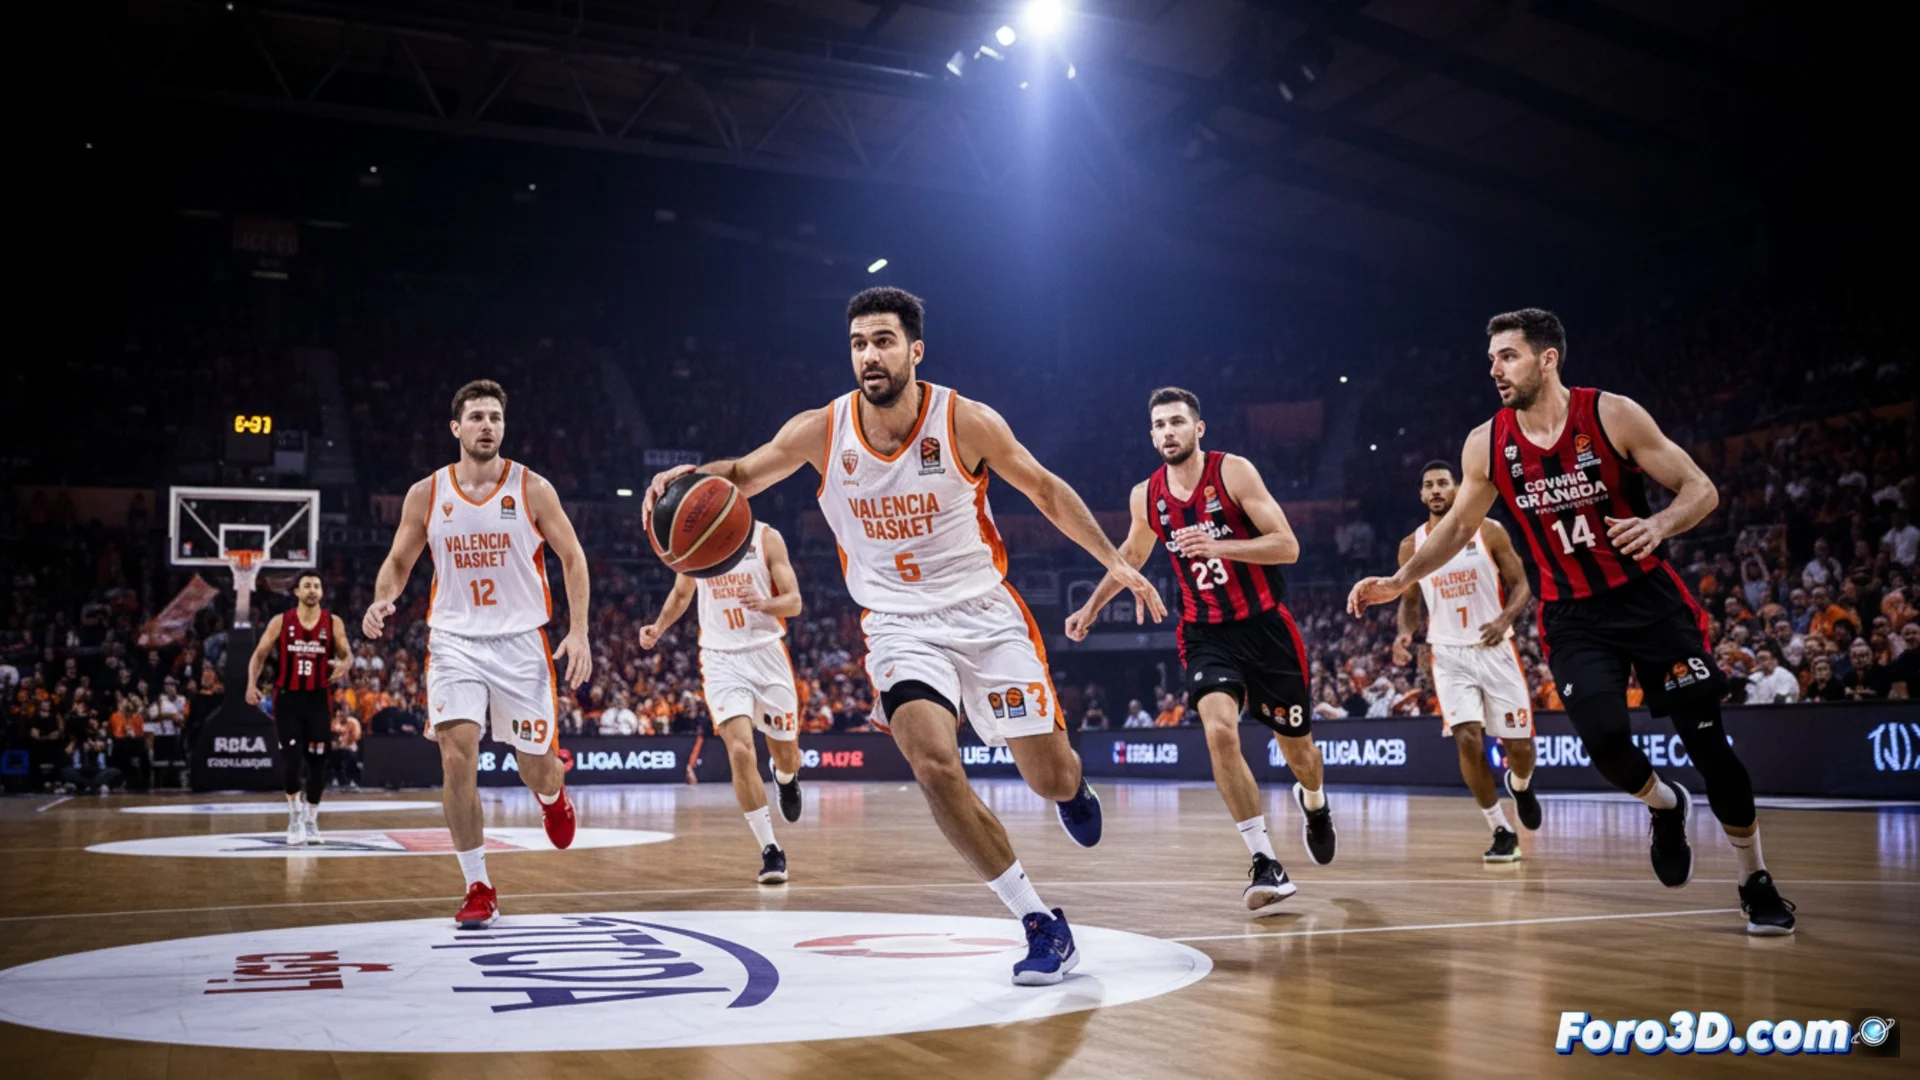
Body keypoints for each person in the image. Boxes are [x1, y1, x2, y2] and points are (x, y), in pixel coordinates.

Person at [644, 287, 1162, 985]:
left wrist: (1117, 562)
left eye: (883, 341)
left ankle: (1072, 790)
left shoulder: (965, 420)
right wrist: (688, 476)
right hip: (896, 625)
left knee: (1048, 773)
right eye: (858, 343)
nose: (869, 355)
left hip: (983, 613)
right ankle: (1039, 920)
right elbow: (741, 473)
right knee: (933, 764)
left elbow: (1043, 488)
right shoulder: (822, 430)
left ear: (915, 351)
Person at [1348, 307, 1796, 935]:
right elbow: (1457, 528)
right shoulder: (1486, 442)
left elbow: (1700, 488)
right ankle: (1665, 805)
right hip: (1574, 616)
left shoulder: (1611, 414)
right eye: (1492, 358)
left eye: (1508, 355)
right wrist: (1400, 580)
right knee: (1608, 746)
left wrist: (1661, 523)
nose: (1495, 369)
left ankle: (1755, 878)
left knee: (1710, 748)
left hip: (1649, 602)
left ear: (1547, 358)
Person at [1067, 386, 1331, 913]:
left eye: (1177, 422)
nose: (1168, 432)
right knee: (1218, 730)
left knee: (1300, 754)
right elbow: (1131, 555)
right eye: (1159, 425)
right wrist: (1092, 607)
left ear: (1198, 428)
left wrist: (1220, 545)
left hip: (1266, 628)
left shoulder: (1234, 473)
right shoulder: (1147, 495)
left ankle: (1316, 804)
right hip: (1205, 632)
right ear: (1151, 434)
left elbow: (1288, 545)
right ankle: (1263, 860)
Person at [363, 379, 592, 930]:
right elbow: (399, 561)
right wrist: (382, 599)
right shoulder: (427, 493)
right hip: (454, 642)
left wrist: (579, 630)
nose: (487, 425)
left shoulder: (533, 488)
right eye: (477, 417)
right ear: (456, 428)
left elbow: (573, 556)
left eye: (495, 417)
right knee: (457, 756)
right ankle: (478, 885)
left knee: (534, 767)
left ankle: (552, 796)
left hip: (521, 643)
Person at [1391, 460, 1541, 862]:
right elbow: (1409, 602)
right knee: (1467, 737)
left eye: (1443, 483)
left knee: (1520, 746)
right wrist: (1405, 633)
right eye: (1429, 485)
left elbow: (1524, 583)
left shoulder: (1488, 530)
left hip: (1495, 647)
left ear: (1457, 489)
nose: (1436, 490)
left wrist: (1505, 618)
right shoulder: (1412, 544)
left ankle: (1522, 785)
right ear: (1422, 495)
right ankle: (1500, 830)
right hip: (1448, 654)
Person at [641, 522, 807, 883]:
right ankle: (770, 850)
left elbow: (794, 602)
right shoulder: (695, 543)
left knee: (787, 755)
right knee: (741, 751)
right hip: (720, 659)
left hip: (766, 653)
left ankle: (786, 777)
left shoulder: (767, 537)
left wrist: (767, 603)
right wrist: (659, 627)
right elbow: (682, 594)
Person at [247, 571, 351, 845]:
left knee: (318, 762)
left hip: (318, 698)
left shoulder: (333, 622)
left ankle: (311, 819)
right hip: (288, 698)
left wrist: (345, 663)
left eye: (317, 585)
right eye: (307, 586)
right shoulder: (281, 622)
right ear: (297, 592)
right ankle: (294, 817)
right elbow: (259, 654)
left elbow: (345, 653)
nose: (312, 590)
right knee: (292, 761)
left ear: (322, 592)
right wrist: (250, 685)